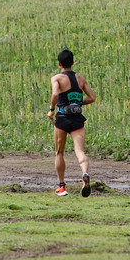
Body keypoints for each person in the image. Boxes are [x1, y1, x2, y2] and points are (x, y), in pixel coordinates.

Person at [47, 49, 96, 197]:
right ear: (73, 63)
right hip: (77, 120)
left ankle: (62, 187)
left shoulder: (56, 78)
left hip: (62, 119)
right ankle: (84, 174)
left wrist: (51, 109)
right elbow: (92, 98)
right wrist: (77, 102)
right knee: (80, 151)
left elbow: (55, 93)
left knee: (59, 152)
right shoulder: (80, 79)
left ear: (59, 63)